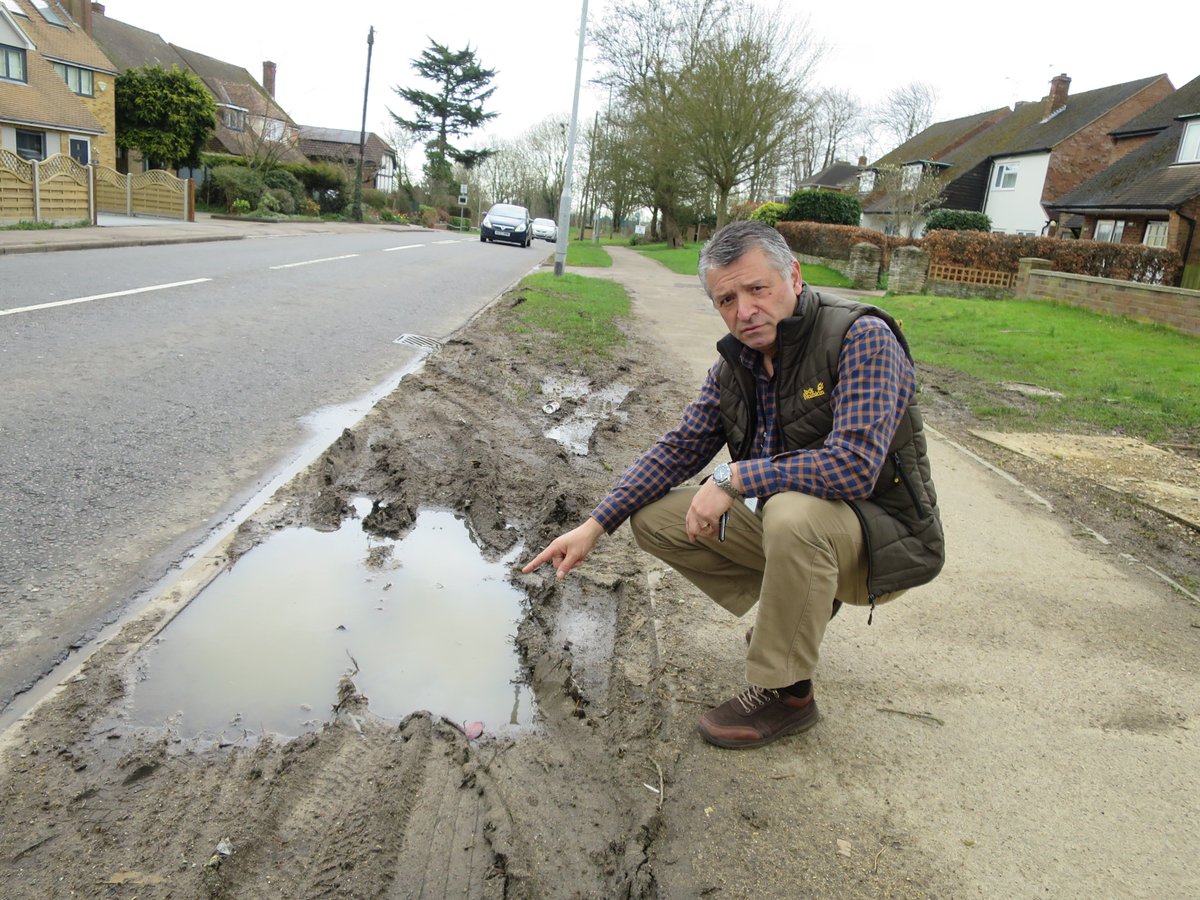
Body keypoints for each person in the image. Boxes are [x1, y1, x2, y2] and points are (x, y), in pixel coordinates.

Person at [522, 220, 944, 750]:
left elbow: (854, 465)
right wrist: (593, 526)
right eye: (726, 299)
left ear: (792, 275)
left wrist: (736, 475)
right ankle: (792, 615)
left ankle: (785, 692)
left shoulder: (861, 336)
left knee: (790, 512)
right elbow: (678, 448)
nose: (744, 310)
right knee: (654, 519)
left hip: (884, 542)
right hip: (812, 533)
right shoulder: (736, 365)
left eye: (756, 289)